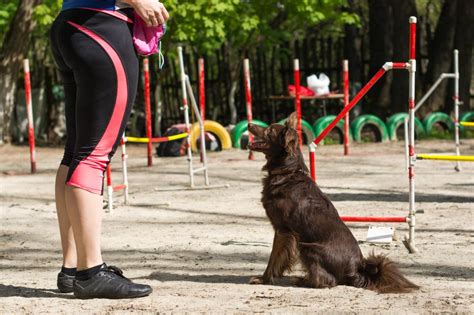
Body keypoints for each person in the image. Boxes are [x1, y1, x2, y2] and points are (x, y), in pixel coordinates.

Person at [50, 0, 169, 299]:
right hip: (100, 28)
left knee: (76, 153)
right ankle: (90, 272)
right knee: (93, 155)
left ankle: (73, 268)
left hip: (72, 24)